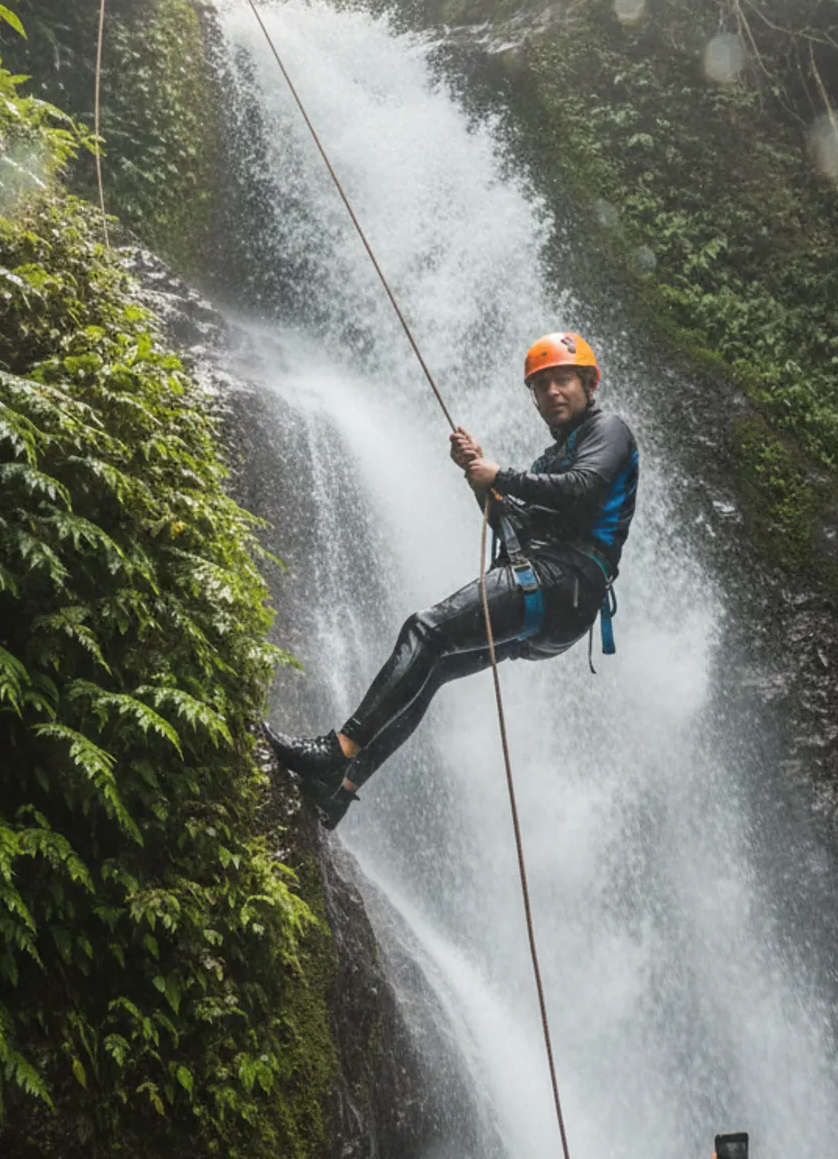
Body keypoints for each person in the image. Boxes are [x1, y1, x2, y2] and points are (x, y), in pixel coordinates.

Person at [261, 331, 640, 828]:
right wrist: (476, 474)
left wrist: (498, 474)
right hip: (555, 607)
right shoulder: (553, 458)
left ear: (590, 382)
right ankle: (341, 788)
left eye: (563, 380)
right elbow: (515, 521)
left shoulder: (607, 429)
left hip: (558, 583)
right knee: (433, 667)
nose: (552, 392)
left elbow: (583, 488)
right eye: (542, 385)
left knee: (426, 629)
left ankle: (339, 748)